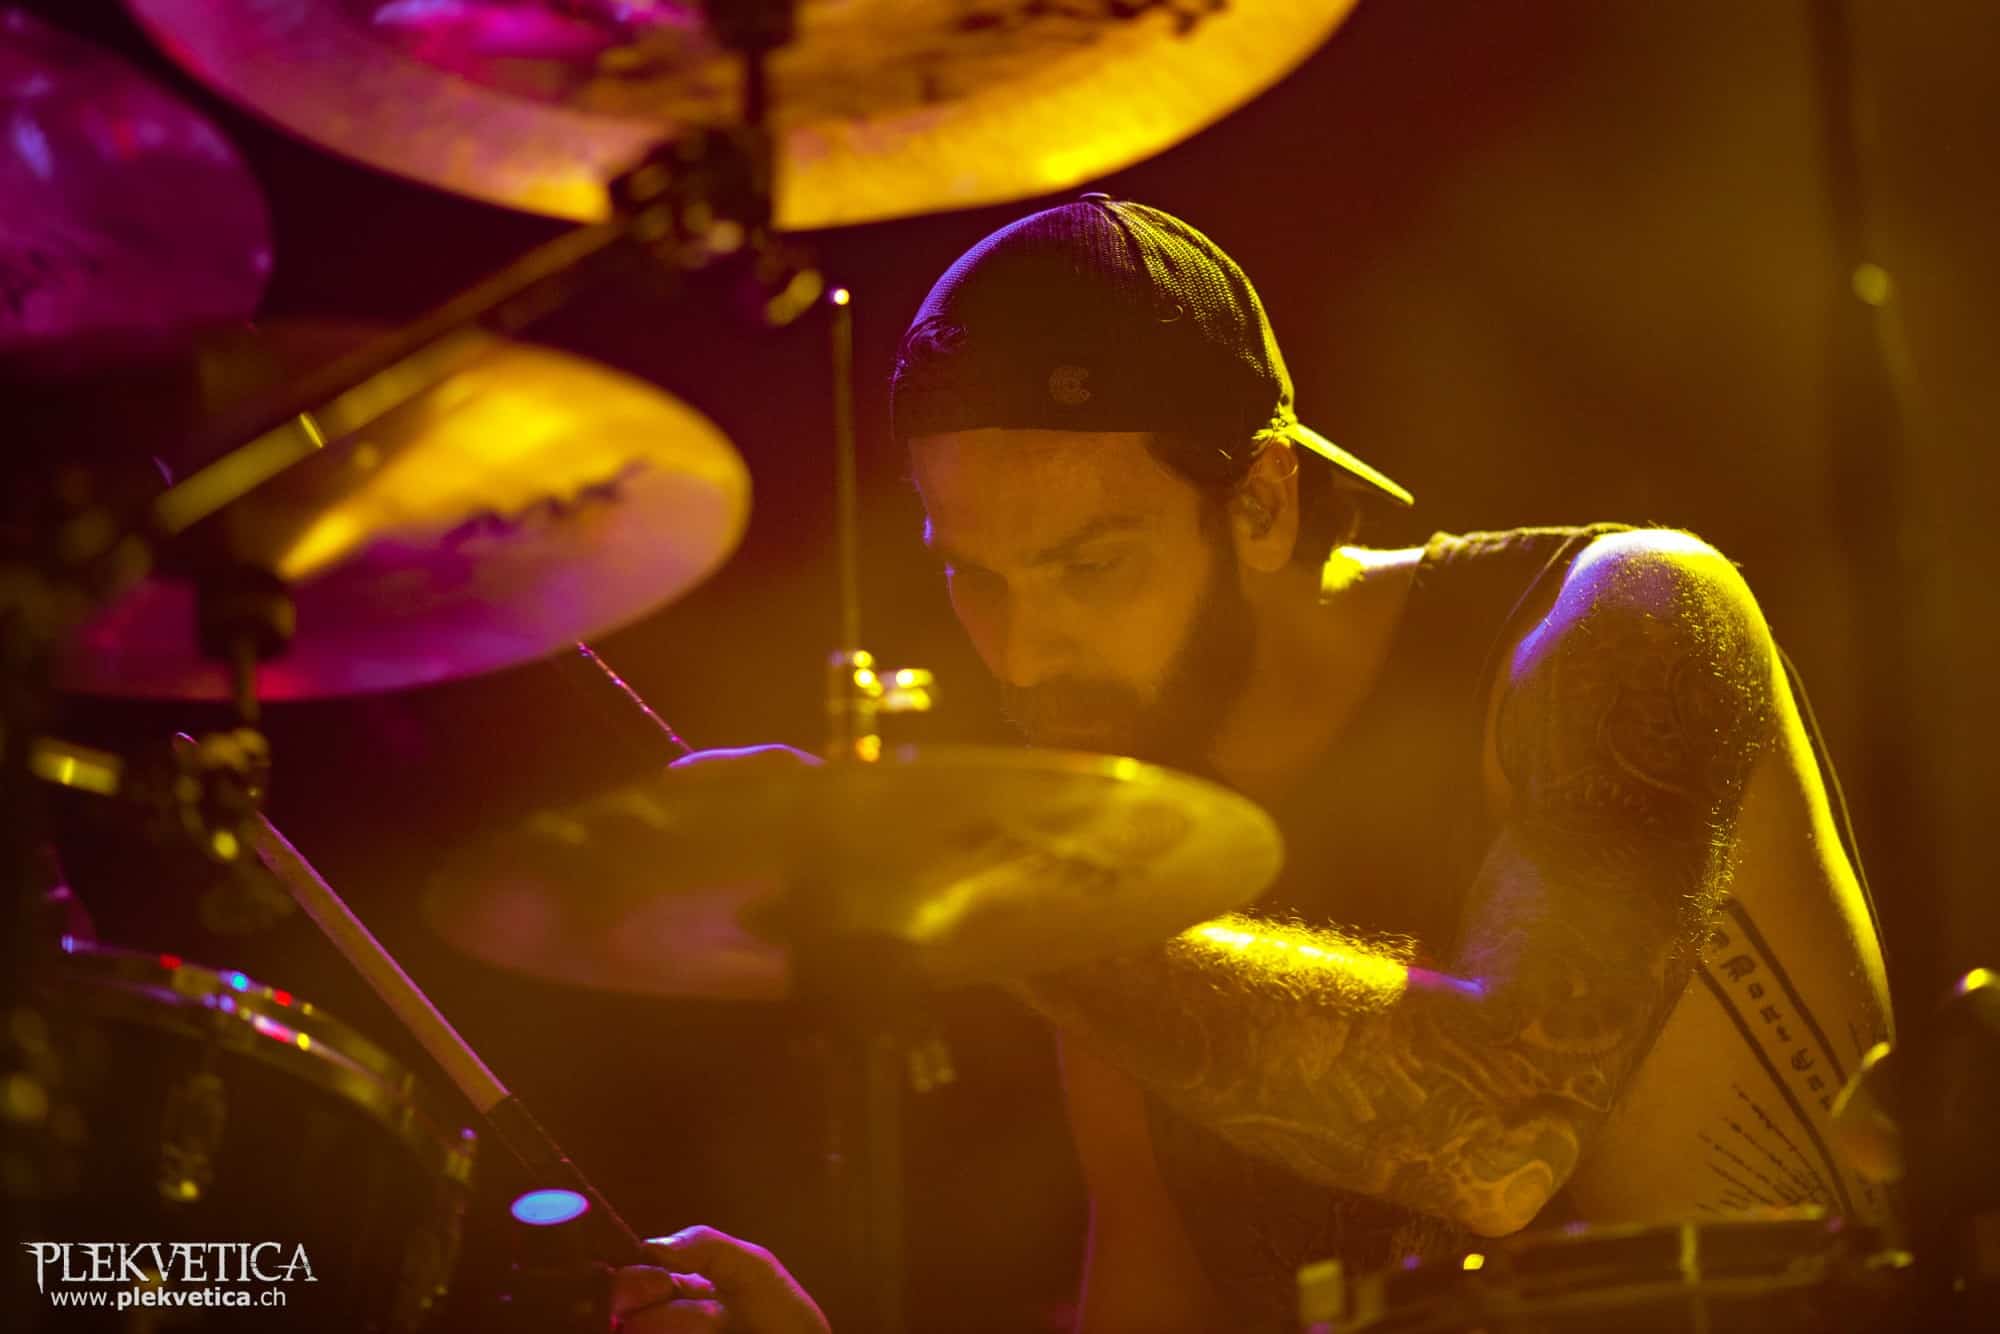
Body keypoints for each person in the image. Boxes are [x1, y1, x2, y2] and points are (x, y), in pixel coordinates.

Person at [623, 196, 1895, 1333]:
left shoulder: (1623, 616)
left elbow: (1497, 1138)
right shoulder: (1125, 854)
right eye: (974, 578)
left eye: (1088, 565)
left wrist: (965, 889)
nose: (1021, 655)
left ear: (1262, 503)